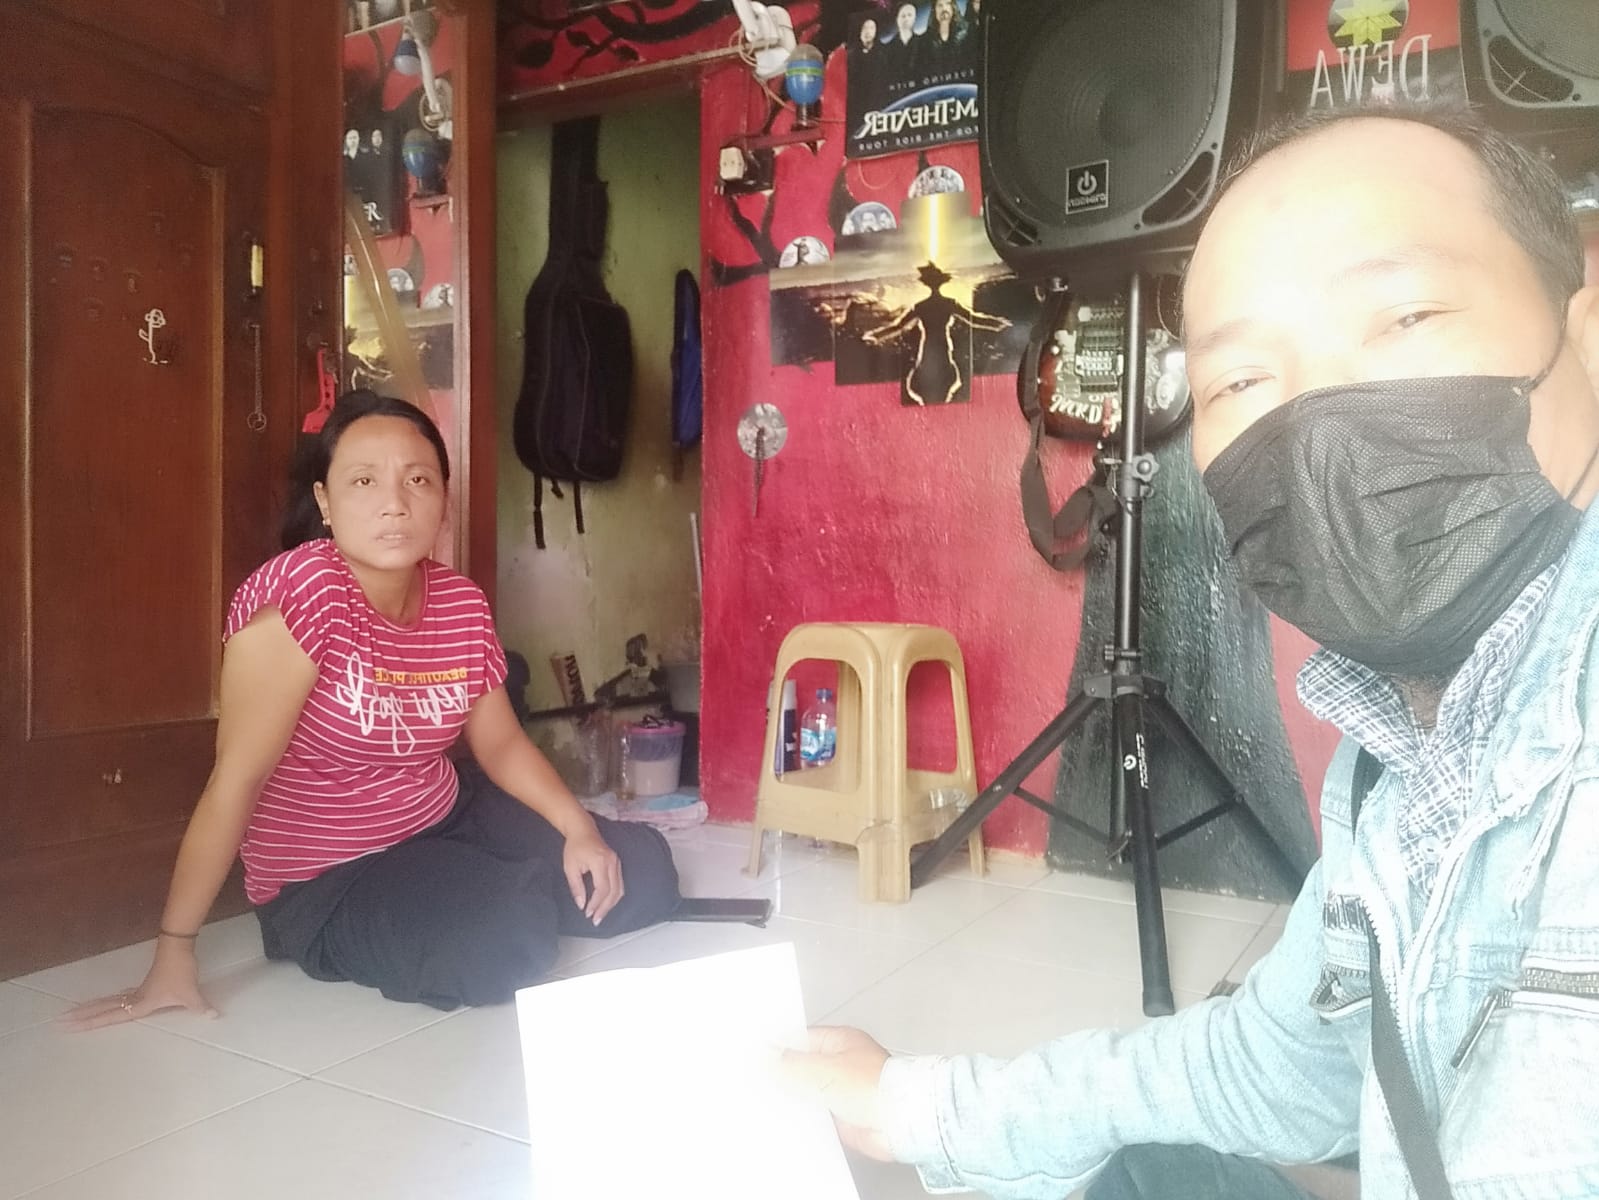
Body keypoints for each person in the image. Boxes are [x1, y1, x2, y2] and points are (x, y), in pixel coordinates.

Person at [785, 100, 1599, 1197]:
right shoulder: (1394, 751)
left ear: (1586, 336)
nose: (1315, 414)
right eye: (1239, 382)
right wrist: (917, 1106)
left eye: (1403, 317)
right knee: (1131, 1164)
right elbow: (1284, 1070)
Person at [65, 391, 681, 1028]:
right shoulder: (301, 598)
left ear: (443, 499)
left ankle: (503, 879)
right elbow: (237, 780)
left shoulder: (460, 602)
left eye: (418, 480)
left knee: (644, 873)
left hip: (443, 813)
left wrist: (577, 830)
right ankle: (501, 887)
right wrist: (174, 949)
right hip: (332, 875)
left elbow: (499, 745)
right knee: (500, 937)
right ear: (325, 501)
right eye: (364, 481)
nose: (395, 503)